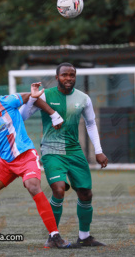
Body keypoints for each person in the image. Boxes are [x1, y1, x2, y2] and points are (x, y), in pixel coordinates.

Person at [0, 82, 72, 249]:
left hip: (25, 156)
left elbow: (32, 98)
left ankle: (55, 236)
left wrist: (53, 114)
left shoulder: (5, 101)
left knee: (33, 186)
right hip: (6, 162)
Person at [20, 63, 109, 247]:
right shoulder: (45, 95)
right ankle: (53, 237)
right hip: (52, 149)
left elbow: (91, 124)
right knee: (59, 189)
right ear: (57, 76)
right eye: (64, 75)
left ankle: (84, 237)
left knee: (85, 193)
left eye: (72, 75)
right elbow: (23, 117)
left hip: (74, 150)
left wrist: (98, 151)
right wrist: (30, 99)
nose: (68, 78)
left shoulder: (84, 98)